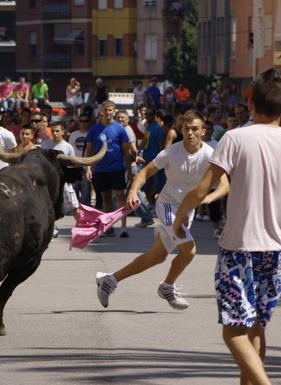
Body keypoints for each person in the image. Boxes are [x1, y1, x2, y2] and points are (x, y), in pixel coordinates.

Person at [173, 70, 281, 385]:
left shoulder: (235, 138)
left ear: (249, 101)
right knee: (255, 328)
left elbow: (202, 189)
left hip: (239, 248)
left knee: (232, 331)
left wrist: (179, 215)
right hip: (279, 252)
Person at [96, 109, 229, 309]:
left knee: (156, 257)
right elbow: (145, 172)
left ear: (204, 131)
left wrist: (206, 199)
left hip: (187, 211)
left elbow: (225, 185)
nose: (190, 133)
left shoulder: (210, 155)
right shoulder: (171, 152)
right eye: (186, 129)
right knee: (189, 251)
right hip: (168, 205)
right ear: (181, 129)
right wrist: (133, 191)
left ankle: (109, 280)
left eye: (195, 129)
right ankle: (167, 287)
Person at [84, 100, 131, 238]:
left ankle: (123, 227)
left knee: (120, 197)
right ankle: (108, 227)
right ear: (101, 112)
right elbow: (89, 151)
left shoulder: (120, 128)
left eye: (111, 110)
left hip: (117, 168)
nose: (108, 112)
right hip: (100, 169)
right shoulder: (94, 129)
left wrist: (129, 170)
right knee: (106, 199)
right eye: (106, 110)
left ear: (114, 111)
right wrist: (88, 168)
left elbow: (126, 151)